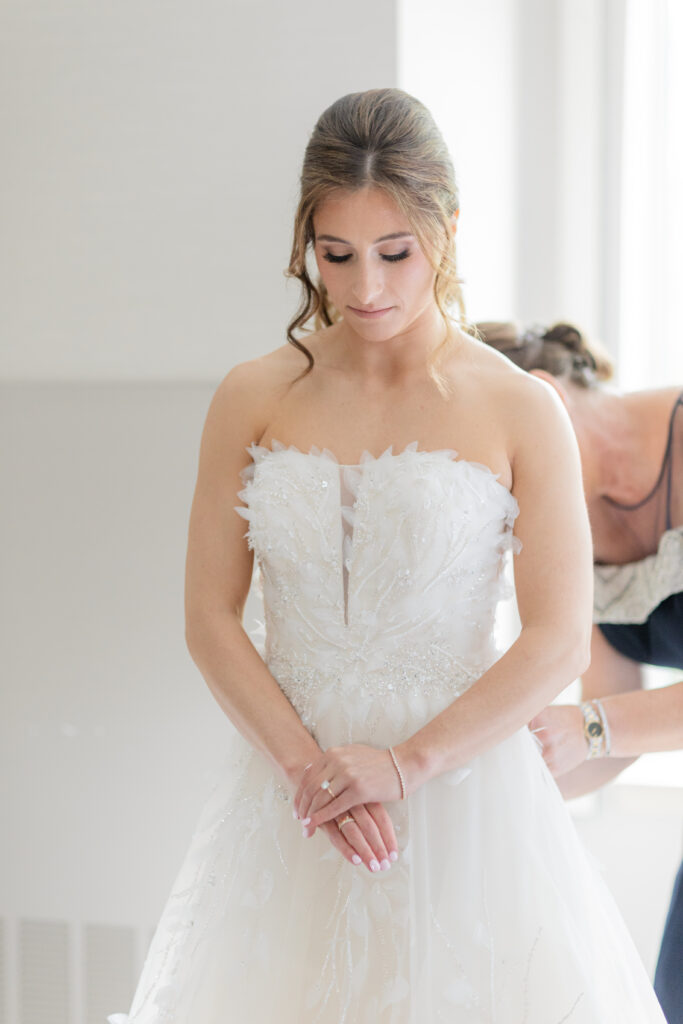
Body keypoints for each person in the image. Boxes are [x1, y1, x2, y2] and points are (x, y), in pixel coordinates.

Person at [108, 90, 667, 1023]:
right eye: (336, 255)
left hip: (460, 790)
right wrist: (310, 776)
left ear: (445, 232)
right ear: (306, 245)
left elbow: (561, 636)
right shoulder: (252, 396)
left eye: (393, 253)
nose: (365, 287)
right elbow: (209, 617)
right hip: (293, 788)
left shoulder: (518, 406)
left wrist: (405, 765)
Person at [477, 320, 683, 1022]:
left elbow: (599, 724)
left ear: (544, 402)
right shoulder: (569, 525)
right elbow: (608, 715)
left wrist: (589, 729)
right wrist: (488, 788)